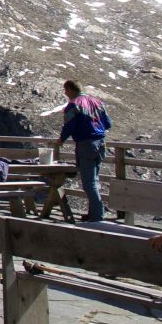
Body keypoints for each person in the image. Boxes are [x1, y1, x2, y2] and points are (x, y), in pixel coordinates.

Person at [59, 79, 112, 222]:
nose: (65, 93)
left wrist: (61, 140)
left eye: (65, 90)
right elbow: (108, 123)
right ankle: (94, 212)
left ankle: (97, 216)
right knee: (94, 180)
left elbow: (69, 125)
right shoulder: (97, 102)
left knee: (89, 183)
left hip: (86, 144)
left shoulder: (74, 105)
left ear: (70, 90)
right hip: (100, 143)